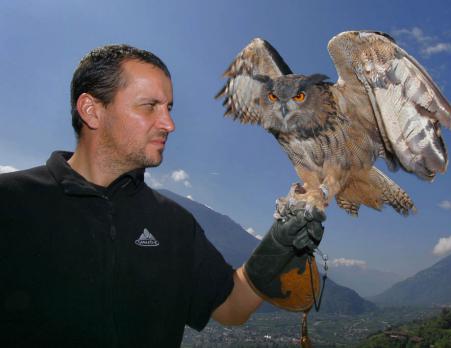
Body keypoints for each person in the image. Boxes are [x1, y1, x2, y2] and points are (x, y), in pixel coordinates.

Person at [0, 45, 325, 347]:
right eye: (149, 106)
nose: (169, 123)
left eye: (168, 108)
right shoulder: (11, 203)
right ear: (92, 111)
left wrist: (278, 246)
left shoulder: (174, 224)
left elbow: (231, 309)